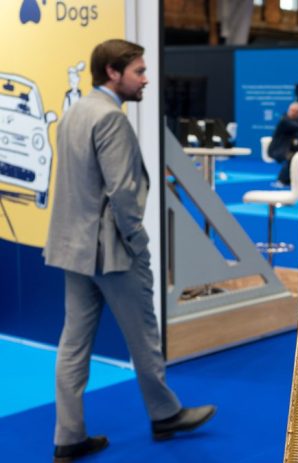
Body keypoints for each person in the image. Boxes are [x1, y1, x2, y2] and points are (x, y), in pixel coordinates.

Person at [44, 39, 216, 462]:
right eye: (138, 71)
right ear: (113, 73)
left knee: (73, 344)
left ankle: (68, 436)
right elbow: (122, 193)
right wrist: (138, 243)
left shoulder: (74, 113)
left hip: (73, 249)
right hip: (112, 252)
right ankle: (165, 415)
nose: (146, 78)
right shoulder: (110, 119)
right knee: (143, 336)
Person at [268, 101, 298, 187]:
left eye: (297, 111)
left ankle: (293, 180)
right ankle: (281, 180)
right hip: (278, 150)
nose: (294, 113)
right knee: (292, 158)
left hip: (290, 149)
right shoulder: (284, 120)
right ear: (289, 110)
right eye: (292, 110)